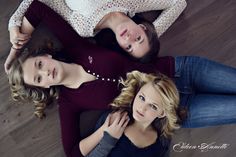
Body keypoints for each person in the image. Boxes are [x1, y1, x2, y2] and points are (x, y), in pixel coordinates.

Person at [7, 1, 236, 157]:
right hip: (174, 109)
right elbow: (73, 153)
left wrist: (16, 47)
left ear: (45, 56)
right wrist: (104, 133)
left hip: (181, 70)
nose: (45, 73)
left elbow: (38, 7)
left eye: (39, 65)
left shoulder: (76, 45)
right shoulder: (69, 103)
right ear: (44, 86)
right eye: (38, 79)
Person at [5, 0, 187, 72]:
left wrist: (14, 25)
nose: (129, 39)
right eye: (137, 38)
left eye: (129, 47)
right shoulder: (131, 2)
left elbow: (44, 1)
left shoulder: (84, 28)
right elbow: (178, 3)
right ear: (143, 28)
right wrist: (152, 34)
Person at [79, 71, 180, 157]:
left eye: (153, 106)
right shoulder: (114, 120)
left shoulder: (162, 141)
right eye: (142, 98)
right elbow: (83, 151)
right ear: (137, 93)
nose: (142, 108)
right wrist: (108, 138)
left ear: (162, 113)